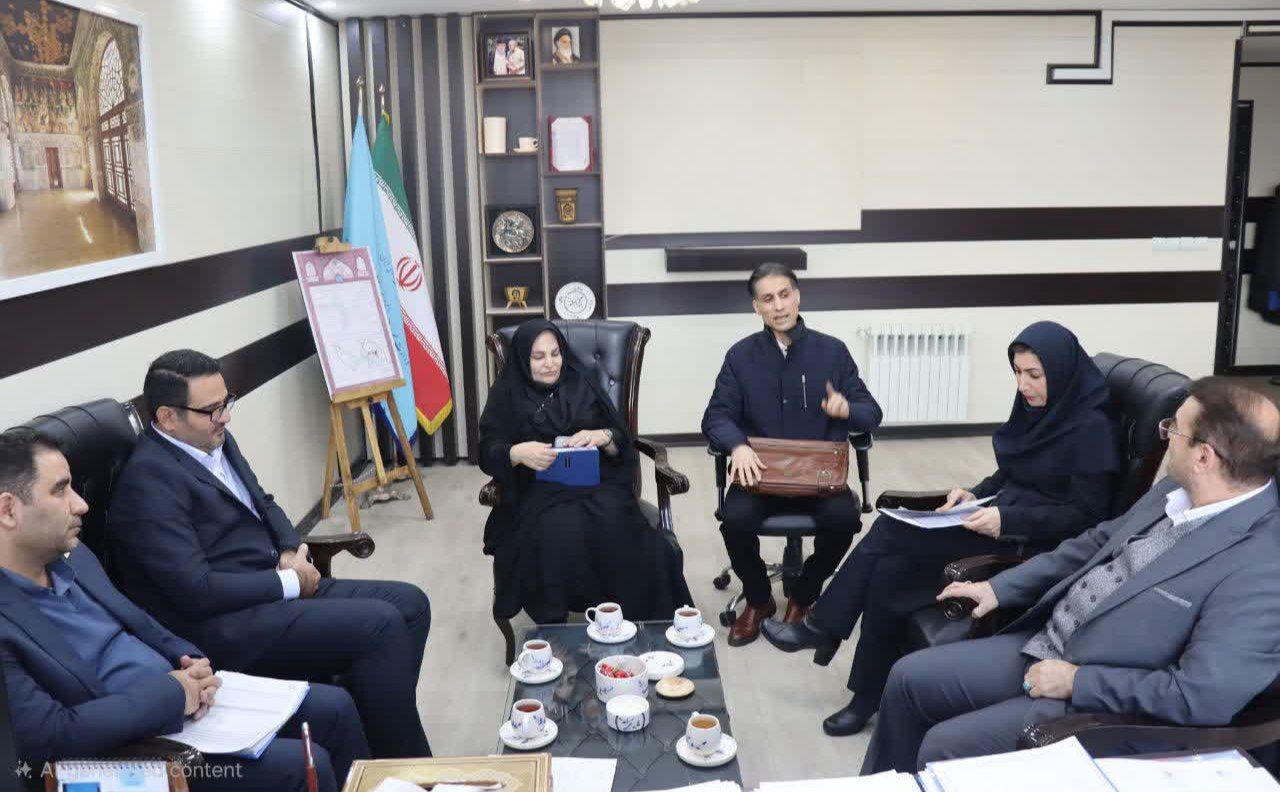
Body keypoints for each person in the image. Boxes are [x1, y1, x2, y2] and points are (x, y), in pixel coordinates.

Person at [861, 377, 1280, 773]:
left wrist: (1079, 682)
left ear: (1204, 457)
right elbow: (1096, 542)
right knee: (908, 679)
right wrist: (999, 587)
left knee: (942, 746)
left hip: (1101, 704)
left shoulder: (1262, 567)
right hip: (1048, 642)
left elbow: (1201, 696)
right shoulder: (1178, 489)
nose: (1165, 435)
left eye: (1174, 429)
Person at [763, 321, 1120, 736]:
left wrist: (1008, 520)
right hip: (997, 519)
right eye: (1018, 373)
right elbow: (1011, 474)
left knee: (890, 531)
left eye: (1034, 375)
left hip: (1031, 544)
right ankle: (864, 697)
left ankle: (822, 627)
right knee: (887, 573)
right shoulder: (1040, 409)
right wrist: (974, 493)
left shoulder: (1092, 427)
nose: (1023, 385)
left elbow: (1087, 517)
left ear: (1060, 371)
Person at [0, 429, 369, 792]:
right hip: (127, 751)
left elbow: (136, 620)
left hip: (184, 699)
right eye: (61, 490)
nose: (81, 504)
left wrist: (187, 658)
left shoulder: (72, 555)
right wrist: (173, 694)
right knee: (301, 766)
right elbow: (50, 736)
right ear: (8, 510)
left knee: (334, 708)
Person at [107, 350, 431, 761]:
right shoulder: (148, 482)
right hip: (227, 623)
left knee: (411, 605)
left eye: (227, 402)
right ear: (168, 417)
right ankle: (407, 766)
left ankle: (374, 732)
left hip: (269, 586)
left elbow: (263, 501)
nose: (226, 417)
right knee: (380, 624)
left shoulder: (212, 439)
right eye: (212, 410)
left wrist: (291, 550)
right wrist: (290, 581)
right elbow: (196, 589)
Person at [702, 262, 883, 646]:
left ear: (797, 296)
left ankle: (803, 596)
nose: (779, 305)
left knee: (844, 519)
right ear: (757, 307)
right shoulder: (741, 356)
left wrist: (847, 410)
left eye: (785, 295)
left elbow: (872, 413)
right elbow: (716, 416)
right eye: (768, 299)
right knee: (735, 519)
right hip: (760, 474)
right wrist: (738, 446)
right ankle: (759, 599)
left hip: (819, 479)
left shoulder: (832, 352)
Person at [479, 320, 693, 623]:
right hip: (538, 493)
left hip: (596, 484)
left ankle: (635, 628)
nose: (550, 363)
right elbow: (487, 451)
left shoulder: (581, 381)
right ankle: (555, 634)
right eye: (538, 357)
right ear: (523, 360)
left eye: (555, 353)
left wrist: (602, 437)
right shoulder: (506, 393)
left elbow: (621, 439)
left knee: (627, 534)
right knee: (556, 533)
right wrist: (516, 453)